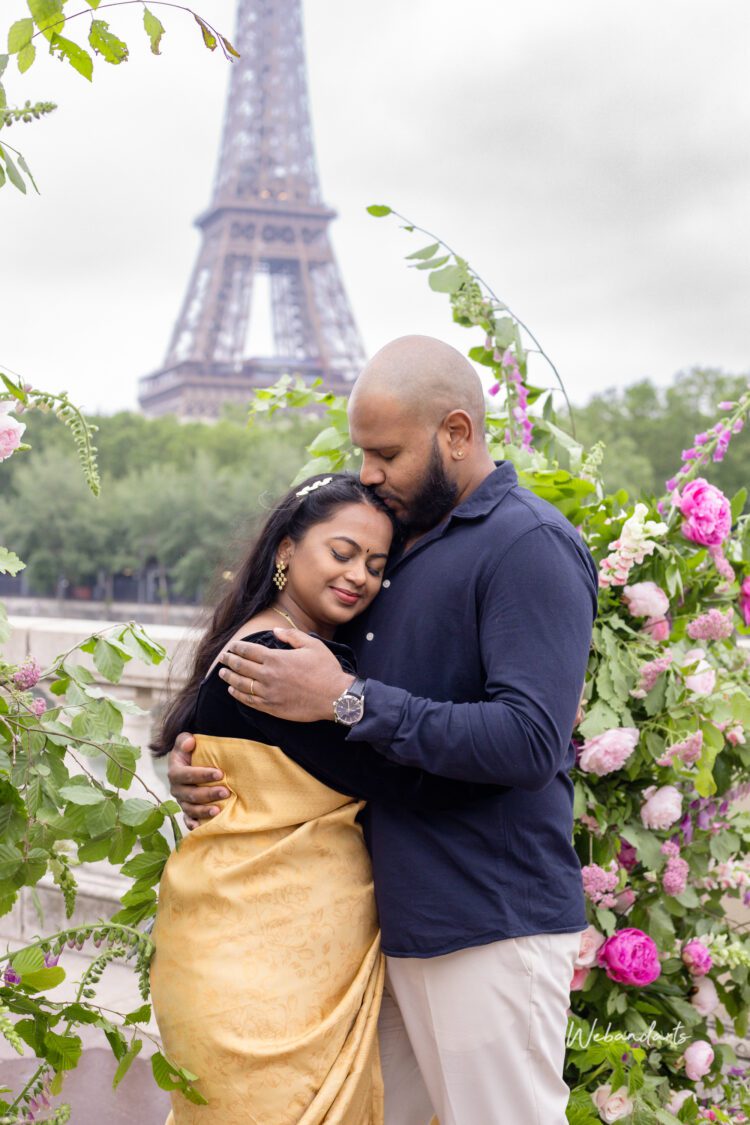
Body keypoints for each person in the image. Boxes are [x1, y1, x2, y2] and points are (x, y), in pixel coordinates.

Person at [169, 335, 599, 1125]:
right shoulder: (401, 542)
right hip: (387, 929)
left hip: (485, 923)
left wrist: (347, 700)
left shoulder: (528, 545)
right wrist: (217, 755)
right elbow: (321, 734)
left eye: (387, 452)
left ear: (458, 434)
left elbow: (531, 740)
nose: (368, 472)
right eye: (362, 452)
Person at [150, 471, 502, 1125]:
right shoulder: (275, 659)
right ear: (286, 549)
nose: (360, 576)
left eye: (376, 563)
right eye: (342, 553)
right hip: (256, 978)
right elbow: (409, 780)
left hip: (276, 964)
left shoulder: (298, 648)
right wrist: (516, 737)